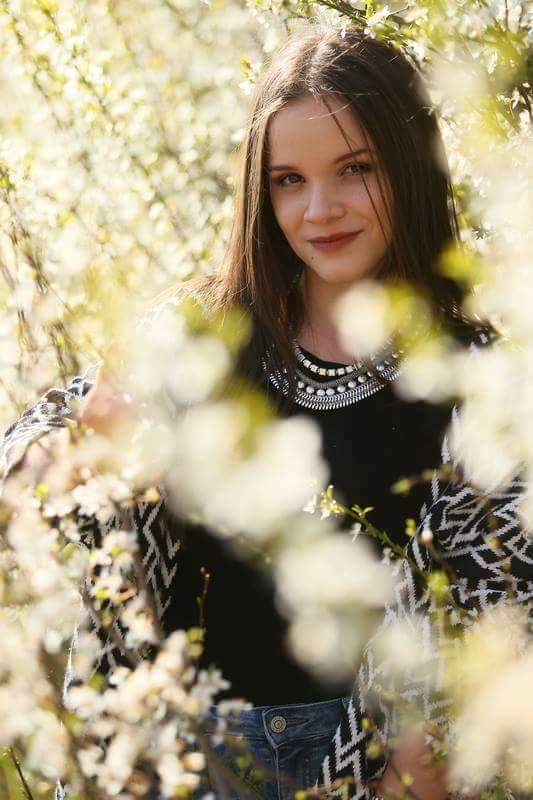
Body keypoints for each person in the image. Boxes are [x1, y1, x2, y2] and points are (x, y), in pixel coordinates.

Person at [1, 22, 531, 800]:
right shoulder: (199, 337)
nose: (320, 209)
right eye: (287, 180)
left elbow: (496, 620)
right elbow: (31, 466)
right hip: (186, 762)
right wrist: (79, 452)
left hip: (375, 771)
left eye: (355, 169)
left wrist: (414, 768)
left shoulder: (476, 379)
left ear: (412, 165)